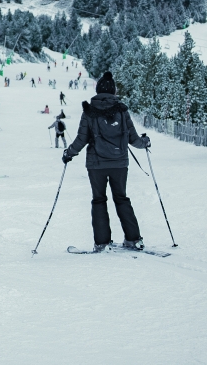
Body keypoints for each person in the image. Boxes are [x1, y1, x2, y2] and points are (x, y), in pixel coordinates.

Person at [61, 71, 151, 252]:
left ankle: (102, 242)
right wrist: (145, 142)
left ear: (98, 90)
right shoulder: (122, 111)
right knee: (121, 198)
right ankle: (133, 239)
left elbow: (81, 139)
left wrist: (69, 153)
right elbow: (133, 139)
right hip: (119, 163)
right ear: (114, 91)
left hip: (96, 165)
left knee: (99, 199)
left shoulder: (89, 112)